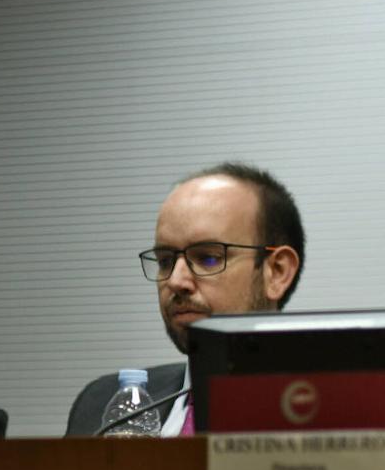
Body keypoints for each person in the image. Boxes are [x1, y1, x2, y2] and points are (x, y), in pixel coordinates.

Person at [65, 162, 304, 436]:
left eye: (208, 258)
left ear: (276, 272)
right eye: (166, 261)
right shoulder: (101, 403)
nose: (176, 281)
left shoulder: (327, 407)